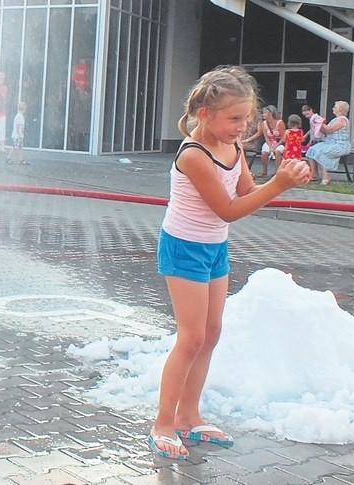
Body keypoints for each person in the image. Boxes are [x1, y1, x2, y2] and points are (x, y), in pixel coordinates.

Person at [150, 65, 311, 460]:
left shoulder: (234, 148)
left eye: (247, 119)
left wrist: (284, 176)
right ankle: (162, 423)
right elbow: (227, 210)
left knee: (211, 332)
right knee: (190, 337)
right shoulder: (193, 155)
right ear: (205, 114)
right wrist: (279, 186)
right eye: (234, 119)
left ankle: (189, 417)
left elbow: (245, 192)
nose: (242, 127)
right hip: (184, 247)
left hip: (214, 248)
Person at [304, 100, 351, 185]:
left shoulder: (342, 120)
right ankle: (314, 174)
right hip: (330, 143)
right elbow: (325, 131)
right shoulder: (335, 119)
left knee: (322, 152)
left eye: (335, 107)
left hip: (340, 145)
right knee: (311, 150)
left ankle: (326, 176)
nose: (333, 108)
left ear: (340, 109)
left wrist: (320, 123)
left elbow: (330, 129)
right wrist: (318, 124)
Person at [241, 105, 286, 178]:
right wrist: (270, 146)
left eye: (265, 113)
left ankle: (278, 171)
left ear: (270, 113)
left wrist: (276, 146)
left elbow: (283, 138)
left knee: (277, 152)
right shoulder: (264, 123)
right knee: (264, 152)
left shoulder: (280, 123)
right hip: (269, 142)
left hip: (279, 142)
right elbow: (266, 137)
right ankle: (264, 171)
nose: (263, 115)